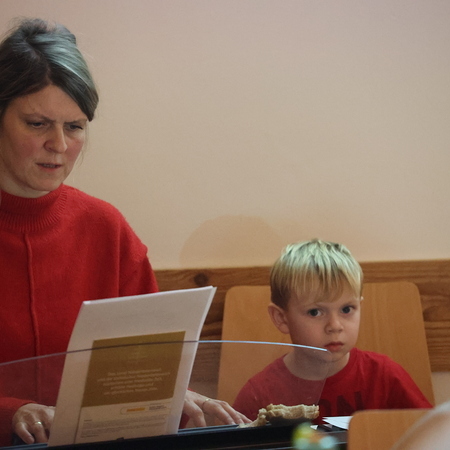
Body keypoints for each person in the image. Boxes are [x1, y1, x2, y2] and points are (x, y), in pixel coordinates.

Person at [0, 17, 248, 446]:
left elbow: (145, 368)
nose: (59, 145)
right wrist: (11, 412)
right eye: (37, 123)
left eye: (75, 126)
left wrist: (177, 397)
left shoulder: (106, 228)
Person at [233, 239, 432, 422]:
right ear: (281, 318)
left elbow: (433, 435)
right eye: (315, 312)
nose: (335, 326)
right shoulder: (258, 396)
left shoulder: (385, 377)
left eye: (347, 309)